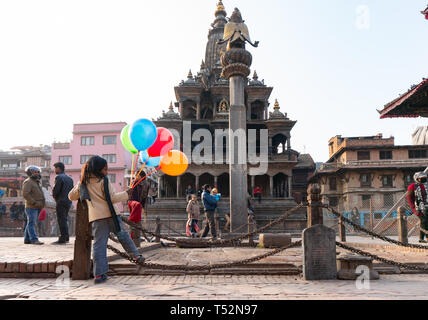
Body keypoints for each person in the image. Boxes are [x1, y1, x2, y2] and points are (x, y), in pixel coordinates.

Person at [68, 156, 145, 284]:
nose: (106, 172)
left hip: (97, 218)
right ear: (98, 169)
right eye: (105, 169)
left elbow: (71, 196)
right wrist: (127, 194)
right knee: (123, 235)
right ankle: (136, 255)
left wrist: (80, 186)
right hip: (112, 216)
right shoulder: (104, 181)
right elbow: (113, 198)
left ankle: (99, 274)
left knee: (99, 245)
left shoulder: (83, 182)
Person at [52, 162, 74, 245]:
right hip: (68, 201)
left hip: (61, 201)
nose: (54, 170)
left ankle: (63, 238)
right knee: (64, 219)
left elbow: (56, 190)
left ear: (59, 168)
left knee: (61, 220)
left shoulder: (59, 177)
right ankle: (66, 236)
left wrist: (55, 196)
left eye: (55, 168)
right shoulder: (70, 178)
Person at [22, 166, 45, 245]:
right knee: (32, 223)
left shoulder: (36, 182)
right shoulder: (28, 182)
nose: (37, 173)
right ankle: (34, 239)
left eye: (38, 172)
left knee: (30, 223)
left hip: (37, 206)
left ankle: (27, 239)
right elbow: (25, 194)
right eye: (35, 172)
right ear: (30, 172)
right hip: (31, 206)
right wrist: (34, 202)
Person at [407, 172, 428, 243]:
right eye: (422, 178)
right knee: (424, 222)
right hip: (419, 208)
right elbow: (409, 198)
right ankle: (423, 238)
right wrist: (413, 208)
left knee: (424, 222)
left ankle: (422, 238)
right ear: (417, 179)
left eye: (425, 178)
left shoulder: (427, 185)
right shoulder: (412, 186)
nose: (424, 179)